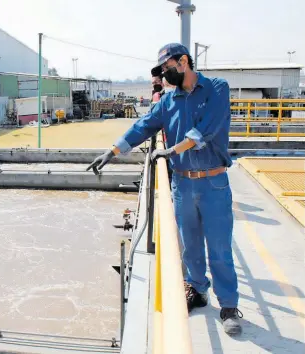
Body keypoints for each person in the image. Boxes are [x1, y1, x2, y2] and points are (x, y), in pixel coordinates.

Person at [87, 43, 242, 335]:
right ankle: (198, 290)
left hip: (213, 181)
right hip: (182, 183)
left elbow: (206, 131)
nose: (164, 75)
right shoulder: (169, 101)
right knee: (190, 245)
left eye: (168, 67)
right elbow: (143, 125)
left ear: (184, 62)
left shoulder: (217, 88)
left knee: (219, 248)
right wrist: (112, 151)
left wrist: (169, 151)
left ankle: (229, 306)